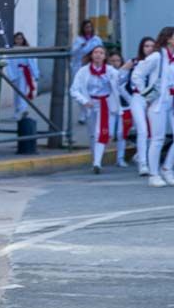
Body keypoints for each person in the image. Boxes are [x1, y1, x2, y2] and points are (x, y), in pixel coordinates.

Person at [130, 26, 174, 187]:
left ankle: (167, 169)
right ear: (169, 38)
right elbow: (137, 74)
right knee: (158, 139)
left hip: (172, 100)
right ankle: (153, 174)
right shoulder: (157, 56)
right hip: (159, 102)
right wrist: (145, 94)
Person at [70, 45, 123, 174]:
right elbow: (74, 90)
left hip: (106, 104)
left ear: (105, 57)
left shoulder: (110, 71)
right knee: (93, 134)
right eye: (96, 52)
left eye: (101, 53)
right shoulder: (83, 71)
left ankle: (97, 163)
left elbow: (121, 79)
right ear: (91, 55)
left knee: (102, 133)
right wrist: (84, 101)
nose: (98, 55)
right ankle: (96, 158)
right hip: (90, 103)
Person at [126, 37, 157, 176]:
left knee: (155, 133)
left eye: (152, 46)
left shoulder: (158, 62)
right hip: (138, 98)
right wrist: (124, 68)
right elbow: (118, 79)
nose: (149, 48)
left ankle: (141, 156)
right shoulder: (135, 62)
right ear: (141, 48)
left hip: (153, 100)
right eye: (146, 46)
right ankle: (143, 164)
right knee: (142, 130)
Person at [5, 32, 41, 121]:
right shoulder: (11, 50)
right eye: (17, 38)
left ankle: (23, 110)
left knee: (22, 92)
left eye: (21, 38)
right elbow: (9, 63)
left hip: (24, 74)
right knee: (16, 94)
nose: (19, 40)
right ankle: (17, 111)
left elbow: (31, 62)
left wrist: (35, 74)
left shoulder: (26, 49)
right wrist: (11, 76)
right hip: (16, 73)